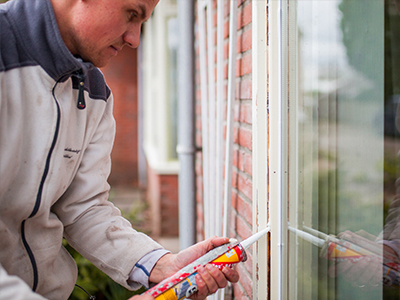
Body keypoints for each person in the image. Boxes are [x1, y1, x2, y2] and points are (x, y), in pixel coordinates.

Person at [0, 0, 239, 299]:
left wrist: (163, 265)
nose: (135, 39)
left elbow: (84, 209)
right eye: (131, 14)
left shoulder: (94, 91)